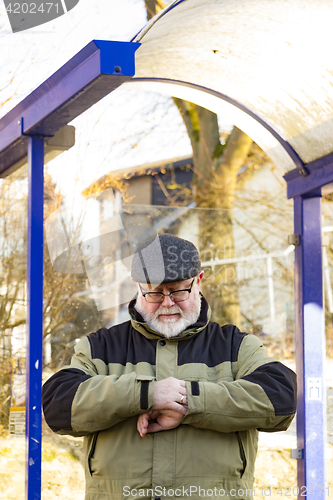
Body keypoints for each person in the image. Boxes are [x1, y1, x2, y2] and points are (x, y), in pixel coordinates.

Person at [42, 233, 297, 500]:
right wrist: (147, 394)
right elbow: (58, 405)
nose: (167, 302)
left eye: (177, 290)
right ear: (137, 286)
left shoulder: (235, 345)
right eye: (154, 292)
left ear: (198, 281)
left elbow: (281, 396)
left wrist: (188, 401)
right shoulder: (100, 347)